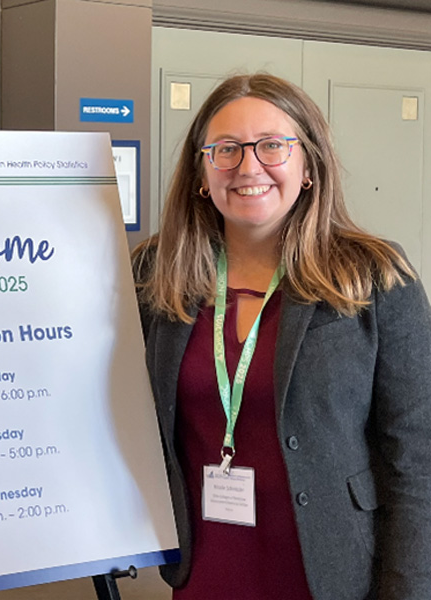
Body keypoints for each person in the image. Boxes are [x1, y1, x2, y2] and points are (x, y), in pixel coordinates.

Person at [132, 73, 431, 600]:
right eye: (226, 149)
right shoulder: (155, 276)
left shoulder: (375, 275)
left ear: (309, 164)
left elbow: (416, 460)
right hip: (208, 570)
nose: (249, 167)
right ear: (202, 172)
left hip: (335, 571)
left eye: (273, 145)